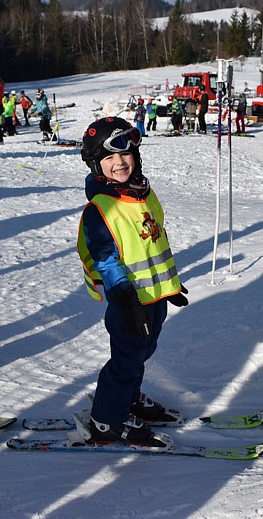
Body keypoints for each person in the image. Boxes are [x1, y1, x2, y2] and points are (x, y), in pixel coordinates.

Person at [77, 116, 189, 446]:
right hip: (127, 300)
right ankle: (106, 419)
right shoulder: (102, 208)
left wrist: (171, 284)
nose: (119, 162)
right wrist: (125, 300)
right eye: (109, 158)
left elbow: (153, 244)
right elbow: (105, 258)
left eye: (124, 154)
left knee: (143, 350)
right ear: (97, 164)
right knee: (126, 357)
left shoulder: (143, 195)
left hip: (153, 296)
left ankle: (130, 399)